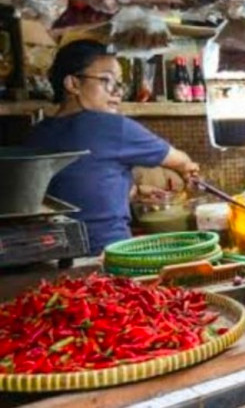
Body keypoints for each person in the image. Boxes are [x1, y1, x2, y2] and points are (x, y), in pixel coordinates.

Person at [25, 40, 200, 255]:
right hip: (107, 254)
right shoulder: (112, 126)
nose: (117, 92)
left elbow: (76, 189)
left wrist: (133, 192)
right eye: (107, 80)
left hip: (50, 255)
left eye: (119, 83)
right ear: (73, 84)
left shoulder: (37, 133)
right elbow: (180, 161)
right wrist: (189, 173)